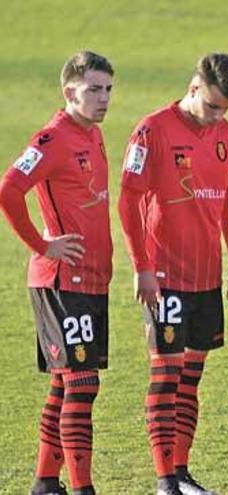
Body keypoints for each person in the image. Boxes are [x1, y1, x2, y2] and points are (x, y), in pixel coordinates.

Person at [118, 53, 228, 495]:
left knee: (192, 377)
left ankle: (182, 471)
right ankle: (163, 479)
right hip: (165, 276)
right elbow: (127, 201)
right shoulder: (151, 130)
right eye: (211, 106)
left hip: (206, 277)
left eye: (223, 110)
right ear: (194, 87)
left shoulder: (225, 133)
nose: (216, 117)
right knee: (166, 375)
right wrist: (142, 268)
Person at [0, 50, 114, 495]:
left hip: (91, 279)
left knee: (66, 383)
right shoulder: (51, 138)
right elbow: (9, 189)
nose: (103, 98)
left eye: (107, 89)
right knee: (82, 384)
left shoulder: (93, 133)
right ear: (70, 91)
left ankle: (46, 483)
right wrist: (42, 244)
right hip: (61, 280)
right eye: (93, 90)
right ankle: (82, 488)